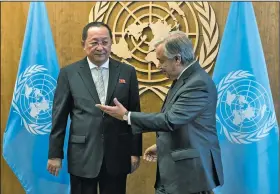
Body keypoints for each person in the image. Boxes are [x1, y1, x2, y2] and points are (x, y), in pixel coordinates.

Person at [96, 31, 224, 194]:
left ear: (177, 59)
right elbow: (186, 124)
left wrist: (126, 115)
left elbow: (170, 120)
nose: (158, 66)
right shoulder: (185, 78)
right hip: (177, 171)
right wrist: (162, 145)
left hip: (190, 175)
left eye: (161, 60)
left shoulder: (197, 84)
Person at [47, 21, 142, 194]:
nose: (100, 47)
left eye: (105, 42)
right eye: (94, 42)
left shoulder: (127, 72)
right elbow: (59, 117)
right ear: (83, 44)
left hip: (117, 154)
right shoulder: (69, 73)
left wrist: (135, 152)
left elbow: (134, 114)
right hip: (82, 155)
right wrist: (55, 154)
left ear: (111, 43)